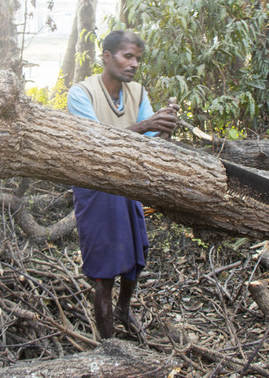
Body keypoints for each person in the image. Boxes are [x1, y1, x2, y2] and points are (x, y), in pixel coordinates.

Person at [66, 30, 179, 340]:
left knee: (136, 255)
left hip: (129, 182)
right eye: (127, 56)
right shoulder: (81, 93)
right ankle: (108, 344)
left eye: (138, 59)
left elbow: (151, 139)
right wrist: (146, 125)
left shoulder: (137, 93)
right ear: (107, 57)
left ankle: (123, 311)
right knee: (104, 270)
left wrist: (164, 124)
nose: (134, 65)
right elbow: (96, 144)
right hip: (95, 187)